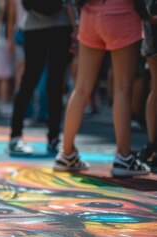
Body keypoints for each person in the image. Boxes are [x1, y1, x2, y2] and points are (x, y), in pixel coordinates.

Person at [54, 0, 150, 177]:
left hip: (90, 14)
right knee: (122, 88)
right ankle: (124, 156)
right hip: (122, 13)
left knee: (81, 88)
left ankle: (66, 153)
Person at [7, 0, 75, 155]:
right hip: (60, 25)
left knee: (29, 81)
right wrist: (75, 27)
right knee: (55, 83)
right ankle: (54, 138)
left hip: (34, 26)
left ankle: (16, 135)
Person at [139, 18, 157, 173]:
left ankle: (152, 144)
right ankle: (152, 145)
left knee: (156, 86)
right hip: (151, 26)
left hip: (150, 25)